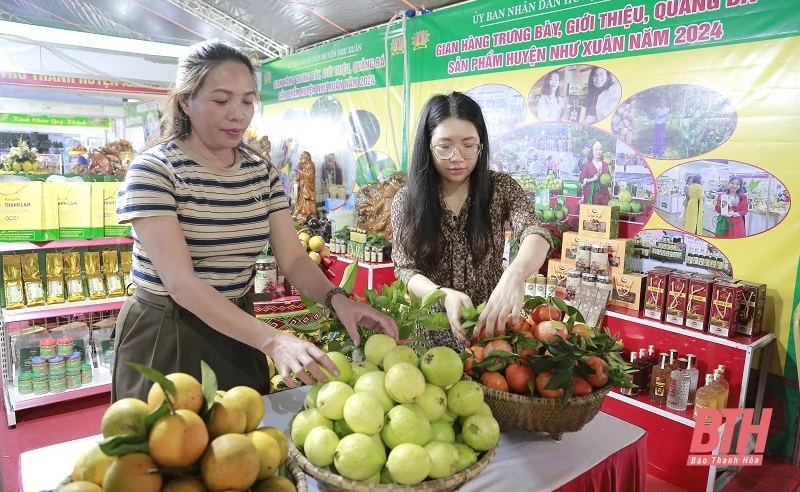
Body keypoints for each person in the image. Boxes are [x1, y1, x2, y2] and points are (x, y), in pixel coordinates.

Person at [112, 40, 397, 401]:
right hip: (169, 331)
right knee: (171, 434)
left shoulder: (261, 174)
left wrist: (338, 300)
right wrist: (273, 340)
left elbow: (293, 259)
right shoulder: (155, 171)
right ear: (185, 101)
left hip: (239, 328)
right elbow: (181, 283)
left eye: (247, 101)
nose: (238, 114)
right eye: (221, 101)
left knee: (248, 433)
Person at [391, 92, 552, 350]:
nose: (457, 157)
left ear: (481, 145)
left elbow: (535, 232)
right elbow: (406, 269)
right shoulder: (407, 200)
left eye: (468, 145)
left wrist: (516, 273)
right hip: (431, 336)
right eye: (444, 146)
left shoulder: (500, 188)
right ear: (428, 146)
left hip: (489, 332)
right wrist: (441, 295)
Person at [578, 140, 611, 205]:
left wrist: (606, 181)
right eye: (596, 150)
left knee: (604, 211)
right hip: (591, 196)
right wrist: (592, 179)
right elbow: (581, 180)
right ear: (592, 151)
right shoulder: (587, 165)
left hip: (603, 196)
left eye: (600, 149)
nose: (598, 152)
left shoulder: (605, 165)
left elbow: (609, 180)